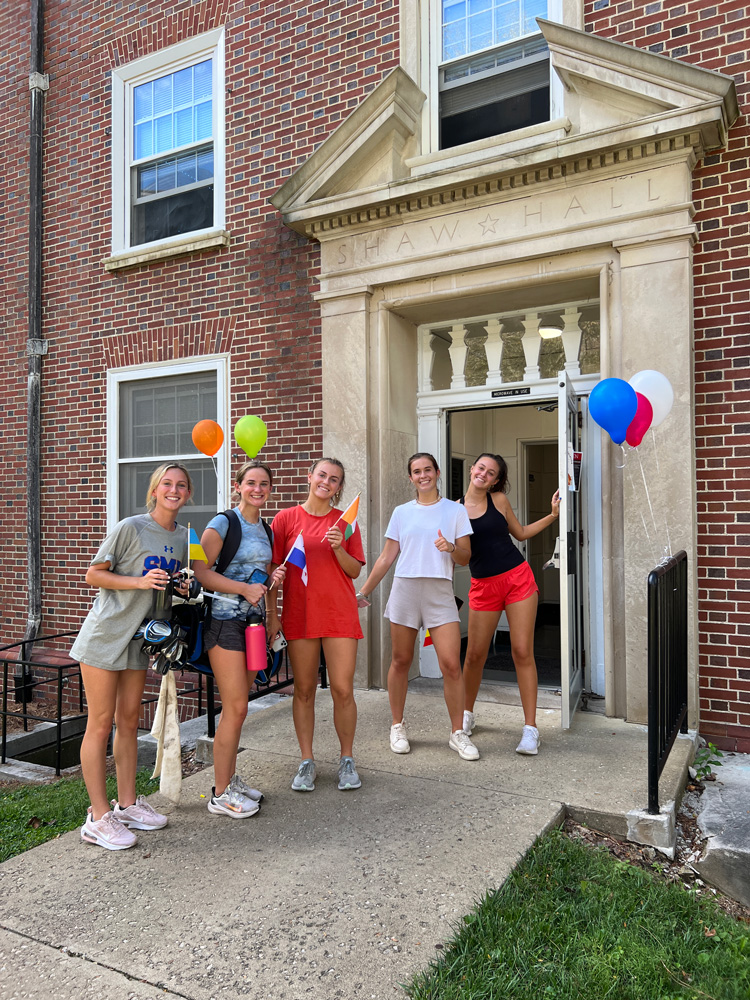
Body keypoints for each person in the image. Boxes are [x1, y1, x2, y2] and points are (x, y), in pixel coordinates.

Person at [72, 463, 192, 850]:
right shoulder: (131, 527)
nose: (174, 490)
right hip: (106, 635)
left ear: (188, 494)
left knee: (128, 721)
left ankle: (126, 804)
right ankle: (97, 815)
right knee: (101, 722)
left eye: (182, 486)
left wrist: (183, 586)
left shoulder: (186, 536)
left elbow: (168, 590)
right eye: (167, 484)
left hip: (141, 640)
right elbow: (93, 574)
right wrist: (139, 581)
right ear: (155, 490)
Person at [356, 452, 478, 761]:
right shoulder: (401, 512)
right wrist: (364, 590)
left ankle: (457, 733)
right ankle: (397, 725)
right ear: (410, 478)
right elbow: (387, 557)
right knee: (401, 660)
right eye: (416, 471)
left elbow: (465, 557)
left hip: (439, 592)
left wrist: (451, 547)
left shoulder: (455, 511)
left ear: (437, 473)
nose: (423, 475)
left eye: (427, 470)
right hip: (406, 589)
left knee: (451, 663)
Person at [266, 458, 365, 793]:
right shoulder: (286, 519)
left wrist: (338, 547)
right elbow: (272, 571)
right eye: (322, 475)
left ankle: (347, 759)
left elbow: (354, 571)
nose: (327, 482)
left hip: (339, 614)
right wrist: (272, 614)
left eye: (334, 479)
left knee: (342, 689)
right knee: (304, 690)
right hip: (300, 615)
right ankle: (306, 760)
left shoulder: (344, 522)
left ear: (338, 488)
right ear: (310, 477)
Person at [193, 461, 285, 819]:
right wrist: (244, 588)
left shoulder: (267, 529)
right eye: (251, 483)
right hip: (223, 625)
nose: (257, 489)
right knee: (234, 708)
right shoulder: (223, 523)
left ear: (270, 489)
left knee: (240, 706)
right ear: (238, 486)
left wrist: (273, 614)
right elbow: (200, 571)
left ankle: (228, 779)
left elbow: (263, 582)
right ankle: (219, 795)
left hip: (254, 625)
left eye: (264, 484)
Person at [460, 453, 560, 755]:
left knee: (521, 651)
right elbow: (455, 553)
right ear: (471, 470)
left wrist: (553, 515)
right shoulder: (451, 510)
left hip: (517, 578)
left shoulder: (499, 500)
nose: (484, 474)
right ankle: (465, 716)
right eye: (481, 468)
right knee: (475, 655)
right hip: (482, 585)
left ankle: (531, 729)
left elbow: (521, 533)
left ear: (495, 480)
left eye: (491, 473)